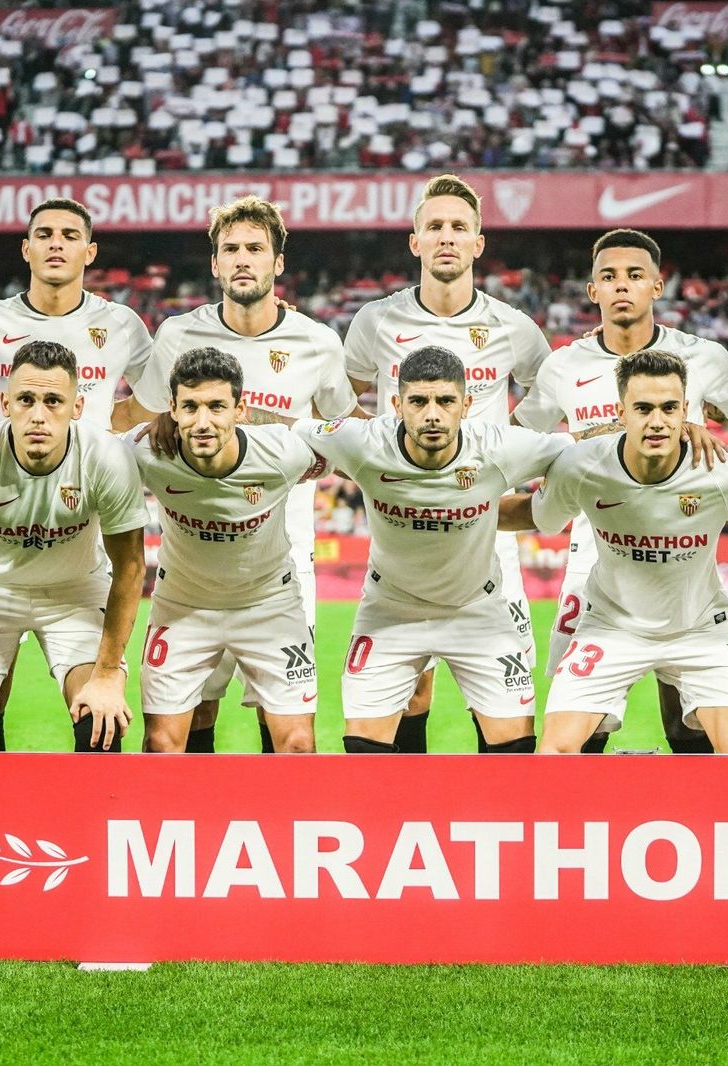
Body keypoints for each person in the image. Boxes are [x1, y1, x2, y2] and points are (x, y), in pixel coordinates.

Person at [513, 227, 728, 753]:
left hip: (680, 542)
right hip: (596, 545)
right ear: (592, 291)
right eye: (609, 277)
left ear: (658, 285)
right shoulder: (563, 366)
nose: (622, 287)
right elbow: (519, 444)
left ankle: (691, 817)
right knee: (584, 719)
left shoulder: (703, 358)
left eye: (635, 276)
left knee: (688, 713)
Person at [115, 195, 360, 753]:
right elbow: (143, 420)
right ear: (215, 264)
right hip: (194, 555)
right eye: (231, 249)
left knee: (281, 713)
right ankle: (201, 828)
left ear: (278, 263)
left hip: (286, 557)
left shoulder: (317, 341)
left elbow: (347, 432)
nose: (243, 259)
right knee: (197, 706)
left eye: (256, 248)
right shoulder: (178, 335)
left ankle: (272, 827)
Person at [0, 197, 152, 750]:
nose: (56, 243)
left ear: (89, 250)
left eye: (69, 234)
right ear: (26, 249)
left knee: (101, 720)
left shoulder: (121, 324)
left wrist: (105, 435)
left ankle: (86, 835)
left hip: (77, 555)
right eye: (44, 234)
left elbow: (157, 400)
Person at [342, 173, 550, 751]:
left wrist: (510, 450)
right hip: (405, 523)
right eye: (434, 227)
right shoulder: (376, 321)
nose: (446, 238)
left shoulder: (514, 328)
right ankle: (409, 810)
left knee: (504, 708)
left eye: (459, 227)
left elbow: (550, 399)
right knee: (410, 691)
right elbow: (339, 397)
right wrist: (379, 456)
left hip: (486, 530)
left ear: (478, 244)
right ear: (415, 242)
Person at [293, 346, 567, 753]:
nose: (433, 414)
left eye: (446, 401)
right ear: (397, 404)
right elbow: (292, 433)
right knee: (364, 749)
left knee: (515, 751)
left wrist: (546, 511)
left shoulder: (498, 446)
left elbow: (577, 456)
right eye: (419, 401)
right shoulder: (363, 441)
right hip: (391, 610)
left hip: (478, 611)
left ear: (467, 404)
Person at [129, 347, 331, 752]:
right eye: (190, 407)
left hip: (269, 605)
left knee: (298, 745)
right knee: (161, 745)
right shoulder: (143, 451)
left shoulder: (283, 451)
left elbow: (353, 451)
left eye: (217, 407)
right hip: (183, 605)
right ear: (172, 408)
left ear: (241, 410)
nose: (203, 422)